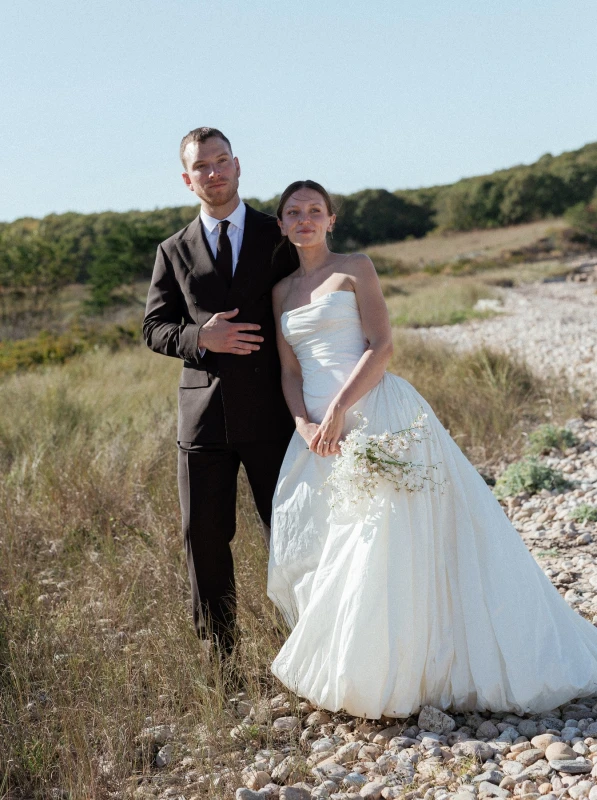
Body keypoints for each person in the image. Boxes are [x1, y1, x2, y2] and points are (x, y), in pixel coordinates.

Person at [267, 179, 597, 718]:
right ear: (281, 224)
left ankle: (413, 673)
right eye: (293, 212)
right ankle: (356, 671)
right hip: (317, 437)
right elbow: (288, 371)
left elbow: (382, 347)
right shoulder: (280, 292)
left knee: (384, 542)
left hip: (376, 414)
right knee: (321, 545)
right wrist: (306, 424)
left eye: (315, 210)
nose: (304, 219)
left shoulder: (356, 269)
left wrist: (338, 411)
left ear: (332, 220)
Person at [143, 128, 294, 666]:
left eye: (221, 160)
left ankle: (307, 648)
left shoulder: (277, 234)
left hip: (274, 414)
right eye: (201, 166)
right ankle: (222, 661)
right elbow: (154, 327)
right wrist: (200, 338)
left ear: (238, 164)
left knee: (292, 531)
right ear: (188, 179)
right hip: (203, 420)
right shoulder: (172, 249)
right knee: (203, 540)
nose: (214, 172)